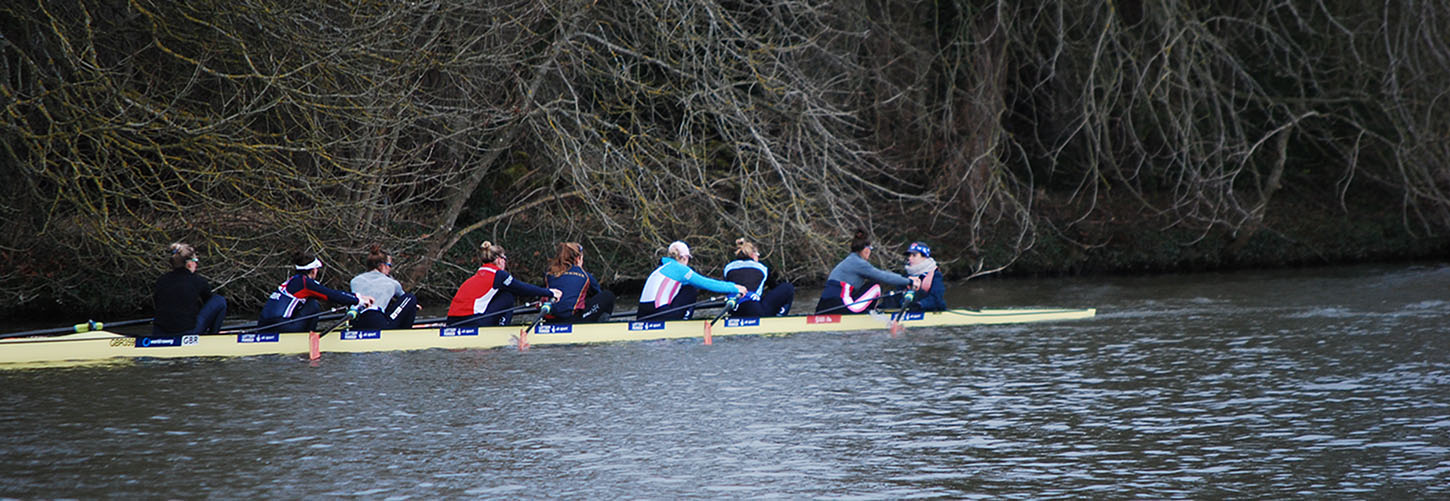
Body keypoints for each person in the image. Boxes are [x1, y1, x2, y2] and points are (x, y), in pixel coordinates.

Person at [447, 241, 562, 327]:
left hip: (453, 321)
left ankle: (498, 326)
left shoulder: (479, 274)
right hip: (471, 321)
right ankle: (502, 329)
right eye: (504, 258)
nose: (505, 262)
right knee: (508, 295)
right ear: (498, 260)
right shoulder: (498, 275)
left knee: (501, 294)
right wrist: (550, 292)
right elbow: (521, 288)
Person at [258, 251, 375, 333]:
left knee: (309, 301)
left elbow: (331, 292)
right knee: (312, 304)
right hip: (280, 327)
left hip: (263, 325)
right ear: (313, 270)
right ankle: (309, 336)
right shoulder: (306, 284)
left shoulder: (293, 281)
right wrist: (358, 301)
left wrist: (359, 296)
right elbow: (331, 295)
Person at [637, 241, 748, 320]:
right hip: (660, 313)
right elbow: (705, 283)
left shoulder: (661, 268)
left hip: (643, 313)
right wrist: (734, 287)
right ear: (684, 257)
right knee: (691, 290)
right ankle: (684, 323)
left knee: (685, 287)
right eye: (688, 259)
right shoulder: (680, 269)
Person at [814, 230, 920, 314]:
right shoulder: (858, 263)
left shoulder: (847, 262)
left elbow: (882, 274)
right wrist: (909, 281)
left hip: (823, 307)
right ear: (866, 250)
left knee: (868, 285)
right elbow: (883, 276)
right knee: (875, 287)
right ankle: (869, 317)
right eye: (870, 249)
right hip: (841, 305)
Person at [152, 242, 228, 335]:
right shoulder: (198, 281)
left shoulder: (161, 280)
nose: (196, 264)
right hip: (187, 332)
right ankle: (213, 335)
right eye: (195, 260)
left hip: (159, 332)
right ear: (189, 264)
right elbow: (208, 302)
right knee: (219, 300)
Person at [349, 244, 420, 330]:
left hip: (355, 322)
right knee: (410, 298)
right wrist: (415, 306)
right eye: (389, 265)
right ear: (382, 265)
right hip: (376, 321)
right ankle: (404, 333)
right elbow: (404, 299)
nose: (390, 269)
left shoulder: (354, 281)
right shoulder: (392, 283)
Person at [543, 242, 616, 323]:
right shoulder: (585, 275)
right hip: (573, 320)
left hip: (550, 319)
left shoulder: (549, 274)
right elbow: (598, 295)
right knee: (608, 295)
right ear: (578, 259)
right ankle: (601, 326)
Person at [723, 238, 795, 317]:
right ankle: (779, 318)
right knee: (788, 288)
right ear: (753, 255)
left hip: (732, 310)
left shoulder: (728, 268)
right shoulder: (762, 268)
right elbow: (774, 287)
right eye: (758, 255)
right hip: (754, 310)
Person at [902, 241, 946, 311]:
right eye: (909, 255)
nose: (910, 258)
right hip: (909, 310)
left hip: (930, 311)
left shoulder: (935, 275)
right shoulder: (906, 275)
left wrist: (920, 304)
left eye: (914, 255)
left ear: (924, 257)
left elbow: (936, 298)